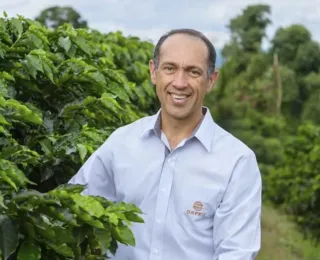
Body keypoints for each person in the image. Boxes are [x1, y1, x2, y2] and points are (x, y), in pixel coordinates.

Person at [68, 28, 262, 260]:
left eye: (193, 72)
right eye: (170, 68)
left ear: (211, 80)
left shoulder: (237, 161)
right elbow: (73, 204)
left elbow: (236, 253)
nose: (179, 83)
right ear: (153, 71)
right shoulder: (122, 142)